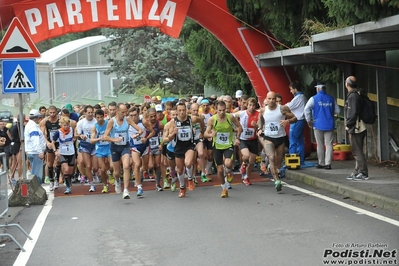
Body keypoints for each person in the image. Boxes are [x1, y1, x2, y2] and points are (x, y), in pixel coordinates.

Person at [257, 92, 297, 192]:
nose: (271, 101)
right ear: (266, 99)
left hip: (280, 138)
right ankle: (277, 181)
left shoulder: (282, 109)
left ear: (276, 99)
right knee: (271, 157)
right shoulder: (263, 110)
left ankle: (276, 170)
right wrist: (259, 128)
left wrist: (287, 121)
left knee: (278, 162)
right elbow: (260, 119)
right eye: (269, 99)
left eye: (273, 99)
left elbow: (295, 118)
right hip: (268, 137)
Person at [103, 103, 143, 199]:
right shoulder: (111, 122)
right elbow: (105, 136)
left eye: (126, 112)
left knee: (126, 166)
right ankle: (117, 180)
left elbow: (140, 130)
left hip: (125, 146)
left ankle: (125, 190)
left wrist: (137, 135)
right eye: (122, 112)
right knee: (116, 172)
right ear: (117, 111)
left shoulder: (128, 119)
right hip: (115, 147)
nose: (125, 114)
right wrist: (114, 140)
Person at [204, 101, 243, 198]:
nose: (222, 112)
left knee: (228, 163)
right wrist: (210, 135)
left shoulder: (230, 117)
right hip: (217, 146)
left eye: (224, 110)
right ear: (216, 110)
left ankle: (229, 172)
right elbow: (205, 134)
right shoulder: (212, 120)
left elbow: (239, 127)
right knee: (220, 170)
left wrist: (237, 138)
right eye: (219, 110)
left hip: (228, 144)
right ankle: (224, 189)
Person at [304, 82, 340, 170]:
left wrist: (309, 121)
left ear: (318, 89)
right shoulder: (331, 98)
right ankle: (328, 164)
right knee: (329, 144)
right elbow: (338, 111)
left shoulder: (314, 99)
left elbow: (306, 109)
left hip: (317, 124)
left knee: (319, 145)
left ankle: (321, 162)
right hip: (329, 124)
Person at [344, 76, 369, 180]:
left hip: (356, 127)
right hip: (361, 125)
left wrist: (348, 125)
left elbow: (352, 113)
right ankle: (356, 172)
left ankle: (363, 173)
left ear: (347, 84)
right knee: (358, 150)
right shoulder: (359, 94)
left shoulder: (352, 96)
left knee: (356, 151)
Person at [235, 97, 260, 185]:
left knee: (252, 161)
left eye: (253, 105)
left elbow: (261, 127)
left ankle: (246, 177)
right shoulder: (241, 114)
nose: (251, 107)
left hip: (253, 140)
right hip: (243, 139)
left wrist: (256, 125)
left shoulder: (258, 114)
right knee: (246, 155)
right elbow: (231, 116)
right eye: (250, 105)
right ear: (247, 105)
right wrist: (235, 128)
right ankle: (243, 164)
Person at [50, 117, 77, 194]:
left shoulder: (72, 130)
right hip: (62, 152)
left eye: (67, 125)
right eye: (64, 125)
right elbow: (53, 142)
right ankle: (68, 187)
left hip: (71, 152)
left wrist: (76, 137)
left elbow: (75, 136)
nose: (66, 127)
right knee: (66, 169)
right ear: (61, 125)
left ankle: (68, 180)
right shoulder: (58, 132)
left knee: (71, 171)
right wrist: (55, 151)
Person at [75, 105, 98, 192]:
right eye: (89, 112)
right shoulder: (80, 123)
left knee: (95, 167)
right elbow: (78, 135)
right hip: (85, 145)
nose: (90, 114)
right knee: (88, 165)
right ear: (85, 113)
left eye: (92, 112)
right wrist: (81, 136)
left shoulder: (96, 121)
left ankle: (94, 173)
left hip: (95, 145)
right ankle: (91, 184)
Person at [40, 105, 61, 190]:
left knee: (58, 162)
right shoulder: (44, 121)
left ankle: (57, 180)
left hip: (59, 143)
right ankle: (51, 180)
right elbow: (42, 134)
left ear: (56, 112)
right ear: (48, 112)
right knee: (50, 163)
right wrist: (47, 142)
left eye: (54, 112)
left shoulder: (60, 120)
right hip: (49, 143)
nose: (52, 114)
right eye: (50, 113)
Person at [90, 109, 111, 193]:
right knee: (102, 169)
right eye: (97, 117)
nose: (99, 119)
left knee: (112, 167)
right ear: (95, 118)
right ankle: (105, 185)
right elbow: (92, 140)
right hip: (100, 148)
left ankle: (111, 174)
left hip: (109, 146)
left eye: (101, 117)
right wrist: (99, 138)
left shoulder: (108, 123)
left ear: (104, 116)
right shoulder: (94, 127)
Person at [286, 81, 307, 165]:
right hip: (302, 120)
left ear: (295, 89)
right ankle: (301, 159)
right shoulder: (302, 97)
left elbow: (288, 107)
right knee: (300, 141)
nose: (290, 91)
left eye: (291, 89)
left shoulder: (298, 98)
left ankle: (292, 159)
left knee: (293, 140)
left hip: (297, 120)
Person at [24, 109, 47, 184]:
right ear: (37, 117)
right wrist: (40, 152)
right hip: (35, 152)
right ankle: (36, 190)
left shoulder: (30, 125)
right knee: (37, 175)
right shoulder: (33, 127)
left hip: (32, 151)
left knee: (34, 172)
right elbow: (35, 140)